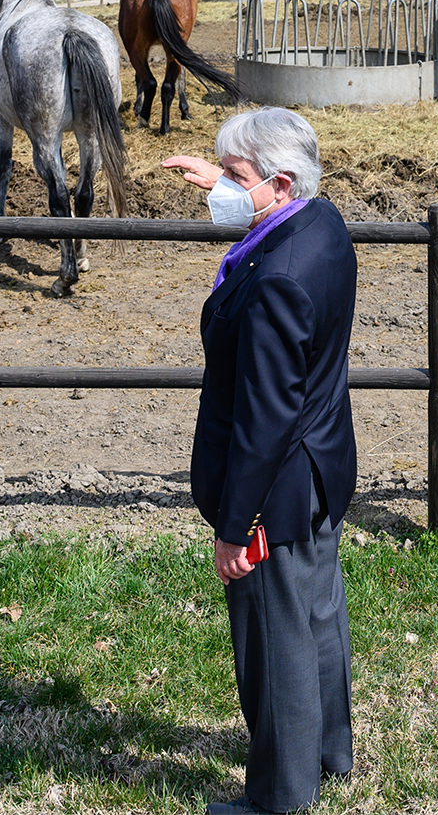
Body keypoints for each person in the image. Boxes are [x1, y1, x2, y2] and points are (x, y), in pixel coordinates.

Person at [163, 107, 357, 815]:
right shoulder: (322, 224)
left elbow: (263, 417)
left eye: (237, 179)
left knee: (275, 643)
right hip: (321, 464)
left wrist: (235, 522)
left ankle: (278, 796)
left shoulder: (277, 281)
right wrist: (223, 177)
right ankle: (329, 751)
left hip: (273, 485)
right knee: (318, 613)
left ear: (278, 182)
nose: (224, 191)